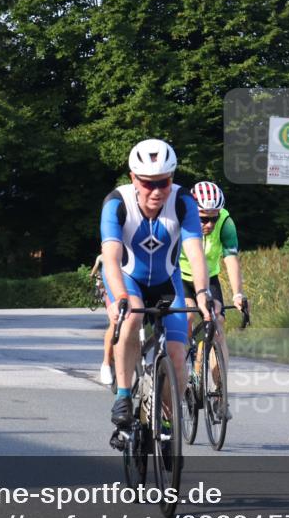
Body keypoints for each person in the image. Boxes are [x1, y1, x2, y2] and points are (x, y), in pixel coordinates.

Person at [100, 139, 213, 428]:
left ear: (171, 178)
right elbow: (111, 258)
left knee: (177, 354)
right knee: (131, 318)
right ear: (133, 178)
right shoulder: (117, 203)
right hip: (127, 278)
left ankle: (165, 422)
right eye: (148, 183)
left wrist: (202, 293)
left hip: (167, 280)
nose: (156, 191)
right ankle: (124, 395)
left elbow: (194, 253)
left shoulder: (182, 201)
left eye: (163, 182)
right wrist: (120, 297)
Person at [178, 181, 247, 417]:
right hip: (181, 276)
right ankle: (183, 365)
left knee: (218, 324)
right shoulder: (180, 217)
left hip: (209, 278)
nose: (209, 224)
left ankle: (220, 393)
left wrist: (238, 294)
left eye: (213, 219)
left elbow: (231, 259)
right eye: (203, 218)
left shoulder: (226, 221)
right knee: (186, 316)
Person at [90, 254, 115, 385]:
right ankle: (106, 363)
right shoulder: (101, 257)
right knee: (114, 322)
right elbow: (95, 267)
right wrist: (93, 275)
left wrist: (91, 274)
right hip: (108, 282)